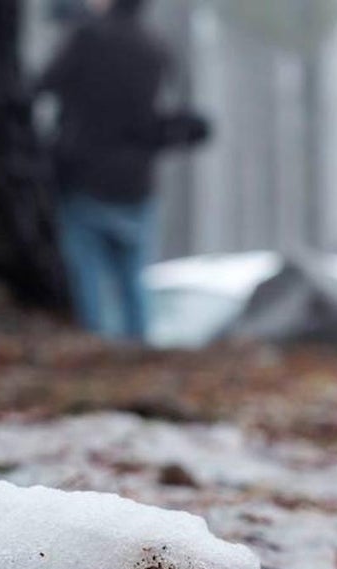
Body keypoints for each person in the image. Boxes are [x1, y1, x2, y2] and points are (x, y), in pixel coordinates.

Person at [37, 0, 208, 342]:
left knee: (89, 279)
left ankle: (96, 347)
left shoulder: (86, 39)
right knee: (133, 280)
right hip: (137, 184)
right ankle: (138, 350)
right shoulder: (155, 47)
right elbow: (166, 115)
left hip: (83, 178)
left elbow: (42, 84)